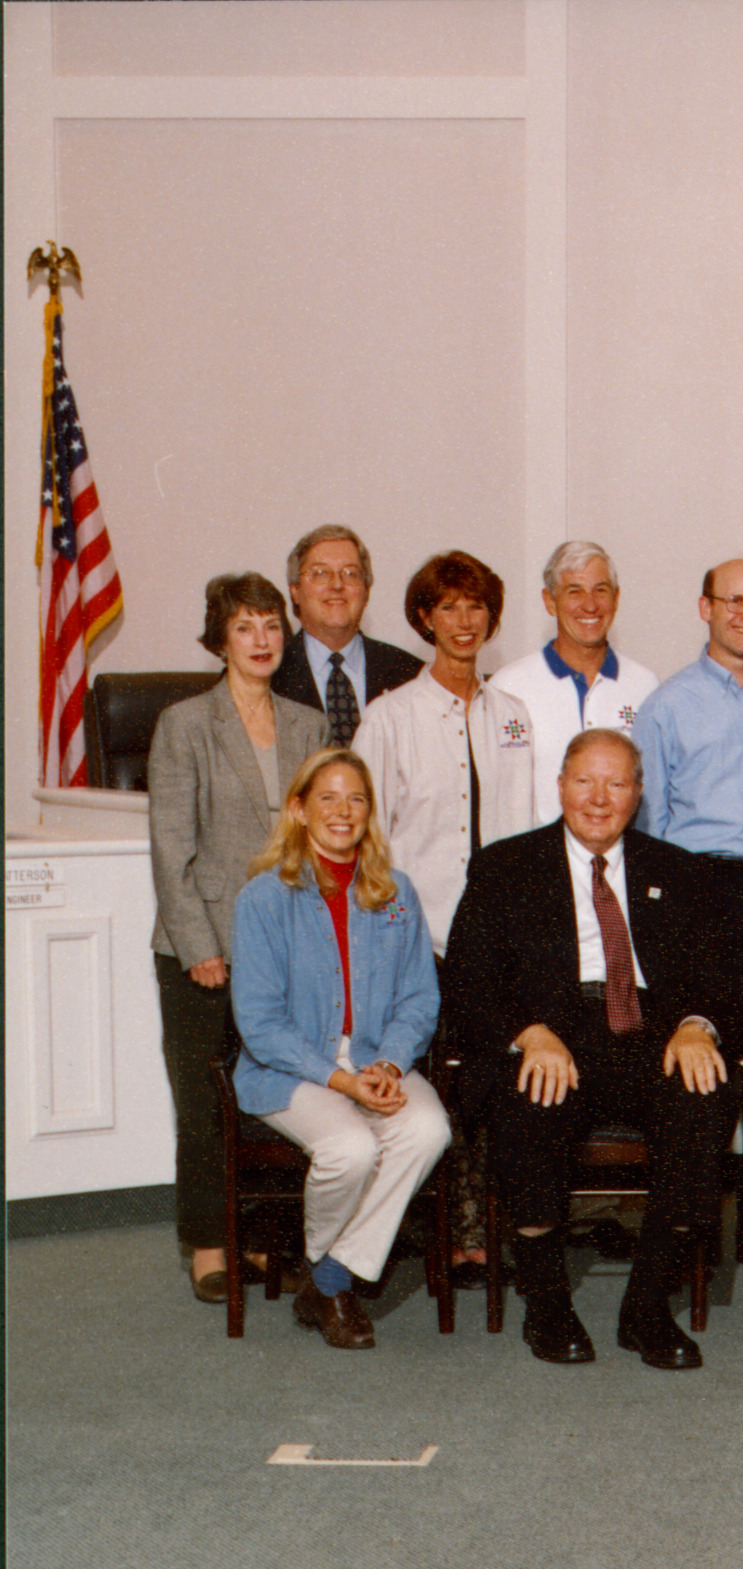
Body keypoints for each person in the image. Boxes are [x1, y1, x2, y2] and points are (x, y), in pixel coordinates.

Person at [443, 730, 738, 1370]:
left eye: (616, 783)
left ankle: (648, 1305)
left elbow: (718, 974)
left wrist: (695, 1024)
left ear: (638, 794)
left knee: (706, 1094)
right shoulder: (504, 866)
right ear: (560, 786)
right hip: (554, 1030)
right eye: (584, 781)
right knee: (530, 1099)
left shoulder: (679, 869)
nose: (598, 799)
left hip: (652, 1030)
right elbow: (467, 979)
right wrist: (529, 1032)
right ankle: (547, 1301)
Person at [353, 550, 536, 1281]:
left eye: (476, 606)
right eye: (449, 608)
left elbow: (528, 828)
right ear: (425, 619)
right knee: (429, 1086)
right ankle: (418, 1230)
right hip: (417, 939)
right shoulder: (390, 716)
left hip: (498, 941)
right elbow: (367, 838)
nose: (465, 621)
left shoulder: (512, 716)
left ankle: (478, 1228)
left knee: (491, 1080)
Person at [230, 749, 451, 1350]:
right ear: (299, 809)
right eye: (327, 797)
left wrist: (388, 1063)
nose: (343, 810)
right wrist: (342, 1080)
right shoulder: (263, 898)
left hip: (378, 1056)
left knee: (427, 1129)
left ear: (369, 812)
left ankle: (328, 1275)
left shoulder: (395, 892)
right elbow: (260, 1024)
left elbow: (419, 998)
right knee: (350, 1149)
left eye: (356, 798)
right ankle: (331, 1284)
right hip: (291, 1067)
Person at [148, 573, 328, 1303]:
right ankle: (209, 1243)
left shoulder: (309, 725)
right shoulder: (185, 723)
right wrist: (198, 945)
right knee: (205, 1104)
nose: (261, 640)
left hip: (285, 945)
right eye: (245, 627)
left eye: (272, 625)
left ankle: (261, 1235)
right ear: (220, 640)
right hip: (203, 945)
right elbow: (171, 848)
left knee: (277, 1094)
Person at [631, 559, 743, 1019]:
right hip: (701, 889)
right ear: (705, 608)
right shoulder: (665, 705)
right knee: (712, 1023)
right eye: (735, 600)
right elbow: (651, 826)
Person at [488, 542, 658, 825]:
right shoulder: (508, 686)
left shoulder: (645, 685)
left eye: (600, 590)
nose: (590, 605)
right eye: (574, 591)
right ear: (549, 601)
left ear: (616, 598)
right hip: (538, 851)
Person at [273, 526, 422, 745]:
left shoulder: (410, 673)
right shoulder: (270, 675)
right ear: (294, 590)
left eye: (350, 573)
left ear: (366, 591)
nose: (337, 585)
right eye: (320, 573)